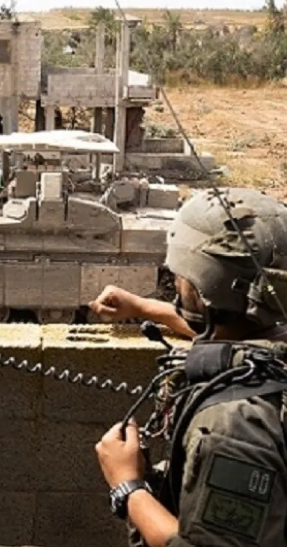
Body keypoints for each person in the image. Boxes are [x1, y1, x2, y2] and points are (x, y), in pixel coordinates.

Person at [89, 187, 287, 547]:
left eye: (181, 276)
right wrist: (144, 308)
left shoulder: (233, 426)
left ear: (198, 286)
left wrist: (128, 486)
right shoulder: (271, 334)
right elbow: (234, 324)